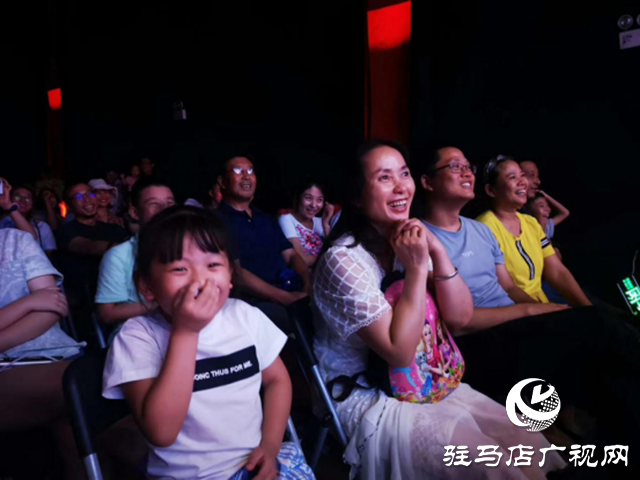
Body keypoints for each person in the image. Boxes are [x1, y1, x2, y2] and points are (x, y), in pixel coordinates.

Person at [312, 141, 564, 480]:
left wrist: (438, 252)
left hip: (425, 377)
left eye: (404, 173)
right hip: (367, 394)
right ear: (357, 196)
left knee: (526, 442)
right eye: (384, 177)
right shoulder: (343, 260)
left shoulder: (407, 238)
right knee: (489, 464)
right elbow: (399, 352)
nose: (401, 186)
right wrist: (417, 269)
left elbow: (460, 316)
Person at [419, 146, 640, 473]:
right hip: (479, 341)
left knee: (610, 366)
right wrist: (532, 312)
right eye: (455, 166)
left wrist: (548, 310)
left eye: (468, 166)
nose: (467, 172)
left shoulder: (479, 231)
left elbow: (509, 288)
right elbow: (458, 322)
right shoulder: (421, 237)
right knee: (602, 331)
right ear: (427, 182)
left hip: (517, 327)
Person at [102, 206, 314, 479]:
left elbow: (277, 380)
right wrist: (186, 333)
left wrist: (271, 445)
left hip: (254, 465)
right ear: (147, 286)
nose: (200, 280)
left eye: (213, 265)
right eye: (180, 268)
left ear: (230, 274)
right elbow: (161, 433)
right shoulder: (138, 337)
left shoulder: (244, 316)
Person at [0, 228, 84, 479]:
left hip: (56, 352)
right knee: (79, 390)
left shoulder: (15, 240)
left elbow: (53, 307)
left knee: (90, 389)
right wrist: (27, 303)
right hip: (8, 367)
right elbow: (41, 301)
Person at [477, 156, 590, 306]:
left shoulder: (531, 223)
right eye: (512, 177)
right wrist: (545, 312)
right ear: (491, 190)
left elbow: (557, 271)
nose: (522, 182)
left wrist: (587, 307)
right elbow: (505, 288)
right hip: (512, 312)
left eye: (522, 175)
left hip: (541, 307)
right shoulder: (483, 228)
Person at [216, 155, 309, 331]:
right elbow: (237, 273)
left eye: (250, 171)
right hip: (254, 301)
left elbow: (290, 254)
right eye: (238, 170)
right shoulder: (215, 221)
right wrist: (285, 298)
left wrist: (307, 281)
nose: (246, 176)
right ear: (222, 182)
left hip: (289, 288)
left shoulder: (265, 218)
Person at [95, 178, 175, 329]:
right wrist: (162, 303)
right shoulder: (118, 256)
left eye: (169, 204)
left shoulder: (189, 249)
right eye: (154, 204)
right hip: (140, 331)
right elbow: (107, 314)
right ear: (135, 212)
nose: (164, 210)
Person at [56, 183, 129, 298]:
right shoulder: (66, 231)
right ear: (69, 206)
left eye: (90, 194)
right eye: (79, 197)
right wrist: (127, 248)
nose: (87, 199)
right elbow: (89, 246)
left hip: (123, 286)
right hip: (91, 295)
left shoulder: (114, 228)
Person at [278, 181, 334, 267]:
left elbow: (337, 251)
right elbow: (300, 259)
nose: (314, 205)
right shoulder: (286, 219)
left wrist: (326, 225)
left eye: (319, 200)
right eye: (308, 198)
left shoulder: (321, 222)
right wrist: (329, 260)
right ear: (298, 198)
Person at [1, 183, 56, 252]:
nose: (23, 201)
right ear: (10, 200)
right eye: (17, 197)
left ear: (32, 204)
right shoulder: (2, 223)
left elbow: (49, 253)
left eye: (27, 198)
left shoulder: (42, 226)